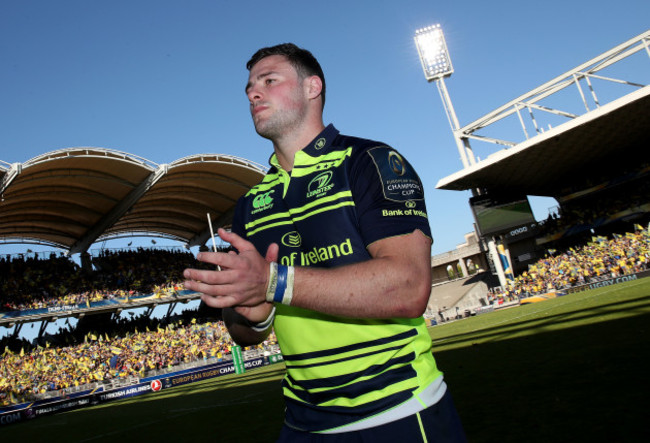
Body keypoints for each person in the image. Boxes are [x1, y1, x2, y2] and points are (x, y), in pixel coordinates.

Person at [184, 43, 466, 442]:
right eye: (249, 87)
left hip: (399, 410)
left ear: (312, 87)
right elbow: (244, 332)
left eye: (269, 80)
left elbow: (409, 286)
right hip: (302, 424)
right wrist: (253, 311)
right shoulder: (249, 204)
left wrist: (274, 281)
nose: (252, 93)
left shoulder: (369, 161)